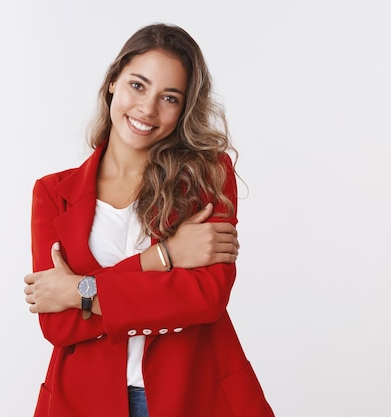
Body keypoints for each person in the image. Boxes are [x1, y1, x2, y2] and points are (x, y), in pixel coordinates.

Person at [23, 23, 274, 417]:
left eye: (169, 97)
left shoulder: (208, 176)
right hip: (84, 401)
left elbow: (205, 297)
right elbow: (58, 327)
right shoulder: (53, 193)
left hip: (194, 394)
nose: (147, 109)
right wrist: (162, 258)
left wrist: (79, 292)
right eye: (137, 86)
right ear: (112, 83)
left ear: (184, 108)